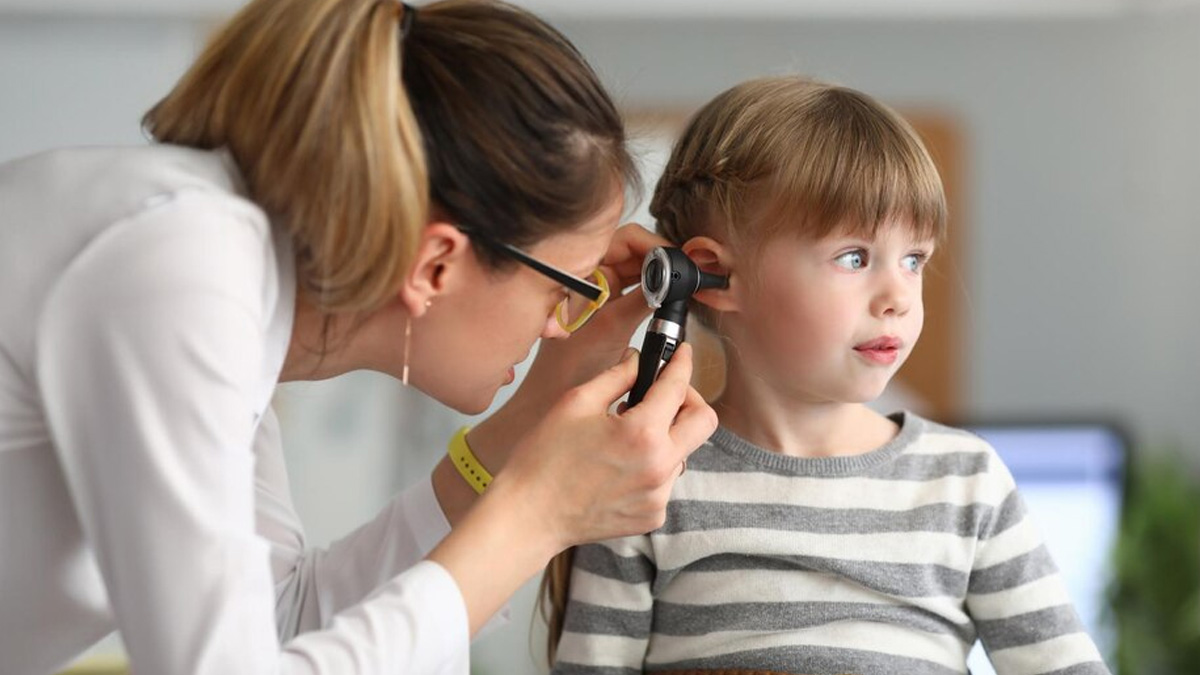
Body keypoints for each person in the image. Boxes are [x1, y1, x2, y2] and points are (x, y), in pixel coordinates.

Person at [0, 0, 717, 673]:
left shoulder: (233, 292)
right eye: (564, 286)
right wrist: (536, 516)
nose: (563, 318)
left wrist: (529, 425)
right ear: (437, 262)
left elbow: (289, 621)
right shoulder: (179, 271)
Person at [544, 76, 1109, 675]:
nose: (897, 296)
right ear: (714, 274)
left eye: (914, 259)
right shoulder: (645, 481)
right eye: (854, 257)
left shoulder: (967, 482)